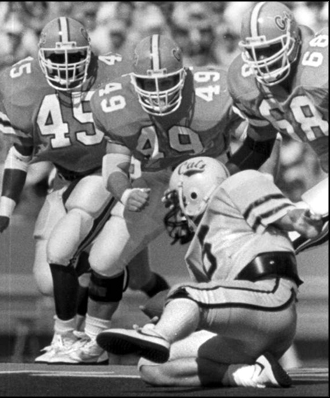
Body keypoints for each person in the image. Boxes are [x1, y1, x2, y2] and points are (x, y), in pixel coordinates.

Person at [57, 33, 252, 363]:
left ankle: (234, 338)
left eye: (168, 81)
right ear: (133, 80)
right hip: (155, 180)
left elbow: (257, 136)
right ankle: (93, 339)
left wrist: (232, 176)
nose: (159, 92)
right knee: (103, 260)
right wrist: (125, 191)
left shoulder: (215, 88)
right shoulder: (114, 101)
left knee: (222, 262)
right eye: (149, 83)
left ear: (184, 74)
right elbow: (114, 163)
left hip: (209, 177)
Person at [0, 17, 168, 364]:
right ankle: (172, 309)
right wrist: (4, 211)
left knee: (79, 253)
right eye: (57, 58)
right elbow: (20, 152)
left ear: (89, 53)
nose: (67, 67)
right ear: (41, 57)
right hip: (64, 178)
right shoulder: (20, 86)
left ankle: (79, 336)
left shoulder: (116, 73)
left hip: (111, 171)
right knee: (49, 281)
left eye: (74, 57)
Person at [95, 156, 324, 388]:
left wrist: (299, 221)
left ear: (193, 191)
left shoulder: (236, 186)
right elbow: (211, 305)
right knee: (151, 365)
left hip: (270, 297)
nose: (176, 209)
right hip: (244, 332)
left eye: (176, 197)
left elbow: (286, 213)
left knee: (185, 293)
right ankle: (246, 375)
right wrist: (161, 317)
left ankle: (157, 336)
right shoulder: (198, 250)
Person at [225, 2, 328, 254]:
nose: (263, 61)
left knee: (279, 243)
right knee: (282, 237)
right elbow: (259, 144)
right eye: (255, 52)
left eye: (269, 50)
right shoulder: (247, 83)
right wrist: (217, 181)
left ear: (293, 41)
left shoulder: (321, 71)